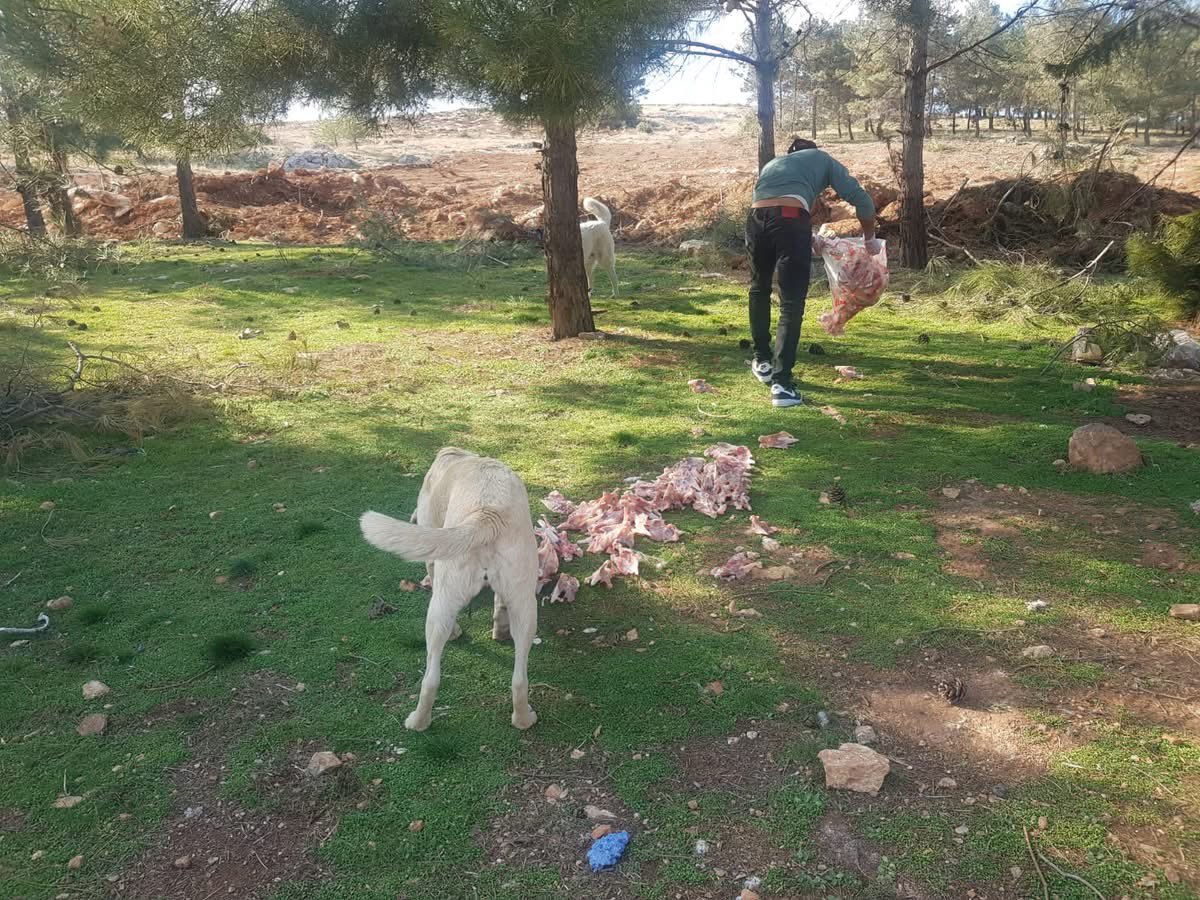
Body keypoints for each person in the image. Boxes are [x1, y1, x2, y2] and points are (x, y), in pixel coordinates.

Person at [746, 137, 877, 408]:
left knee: (758, 288)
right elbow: (862, 201)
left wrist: (805, 236)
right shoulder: (821, 159)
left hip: (756, 218)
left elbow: (773, 208)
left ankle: (762, 361)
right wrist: (869, 238)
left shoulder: (773, 164)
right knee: (791, 302)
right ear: (812, 152)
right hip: (791, 218)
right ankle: (782, 385)